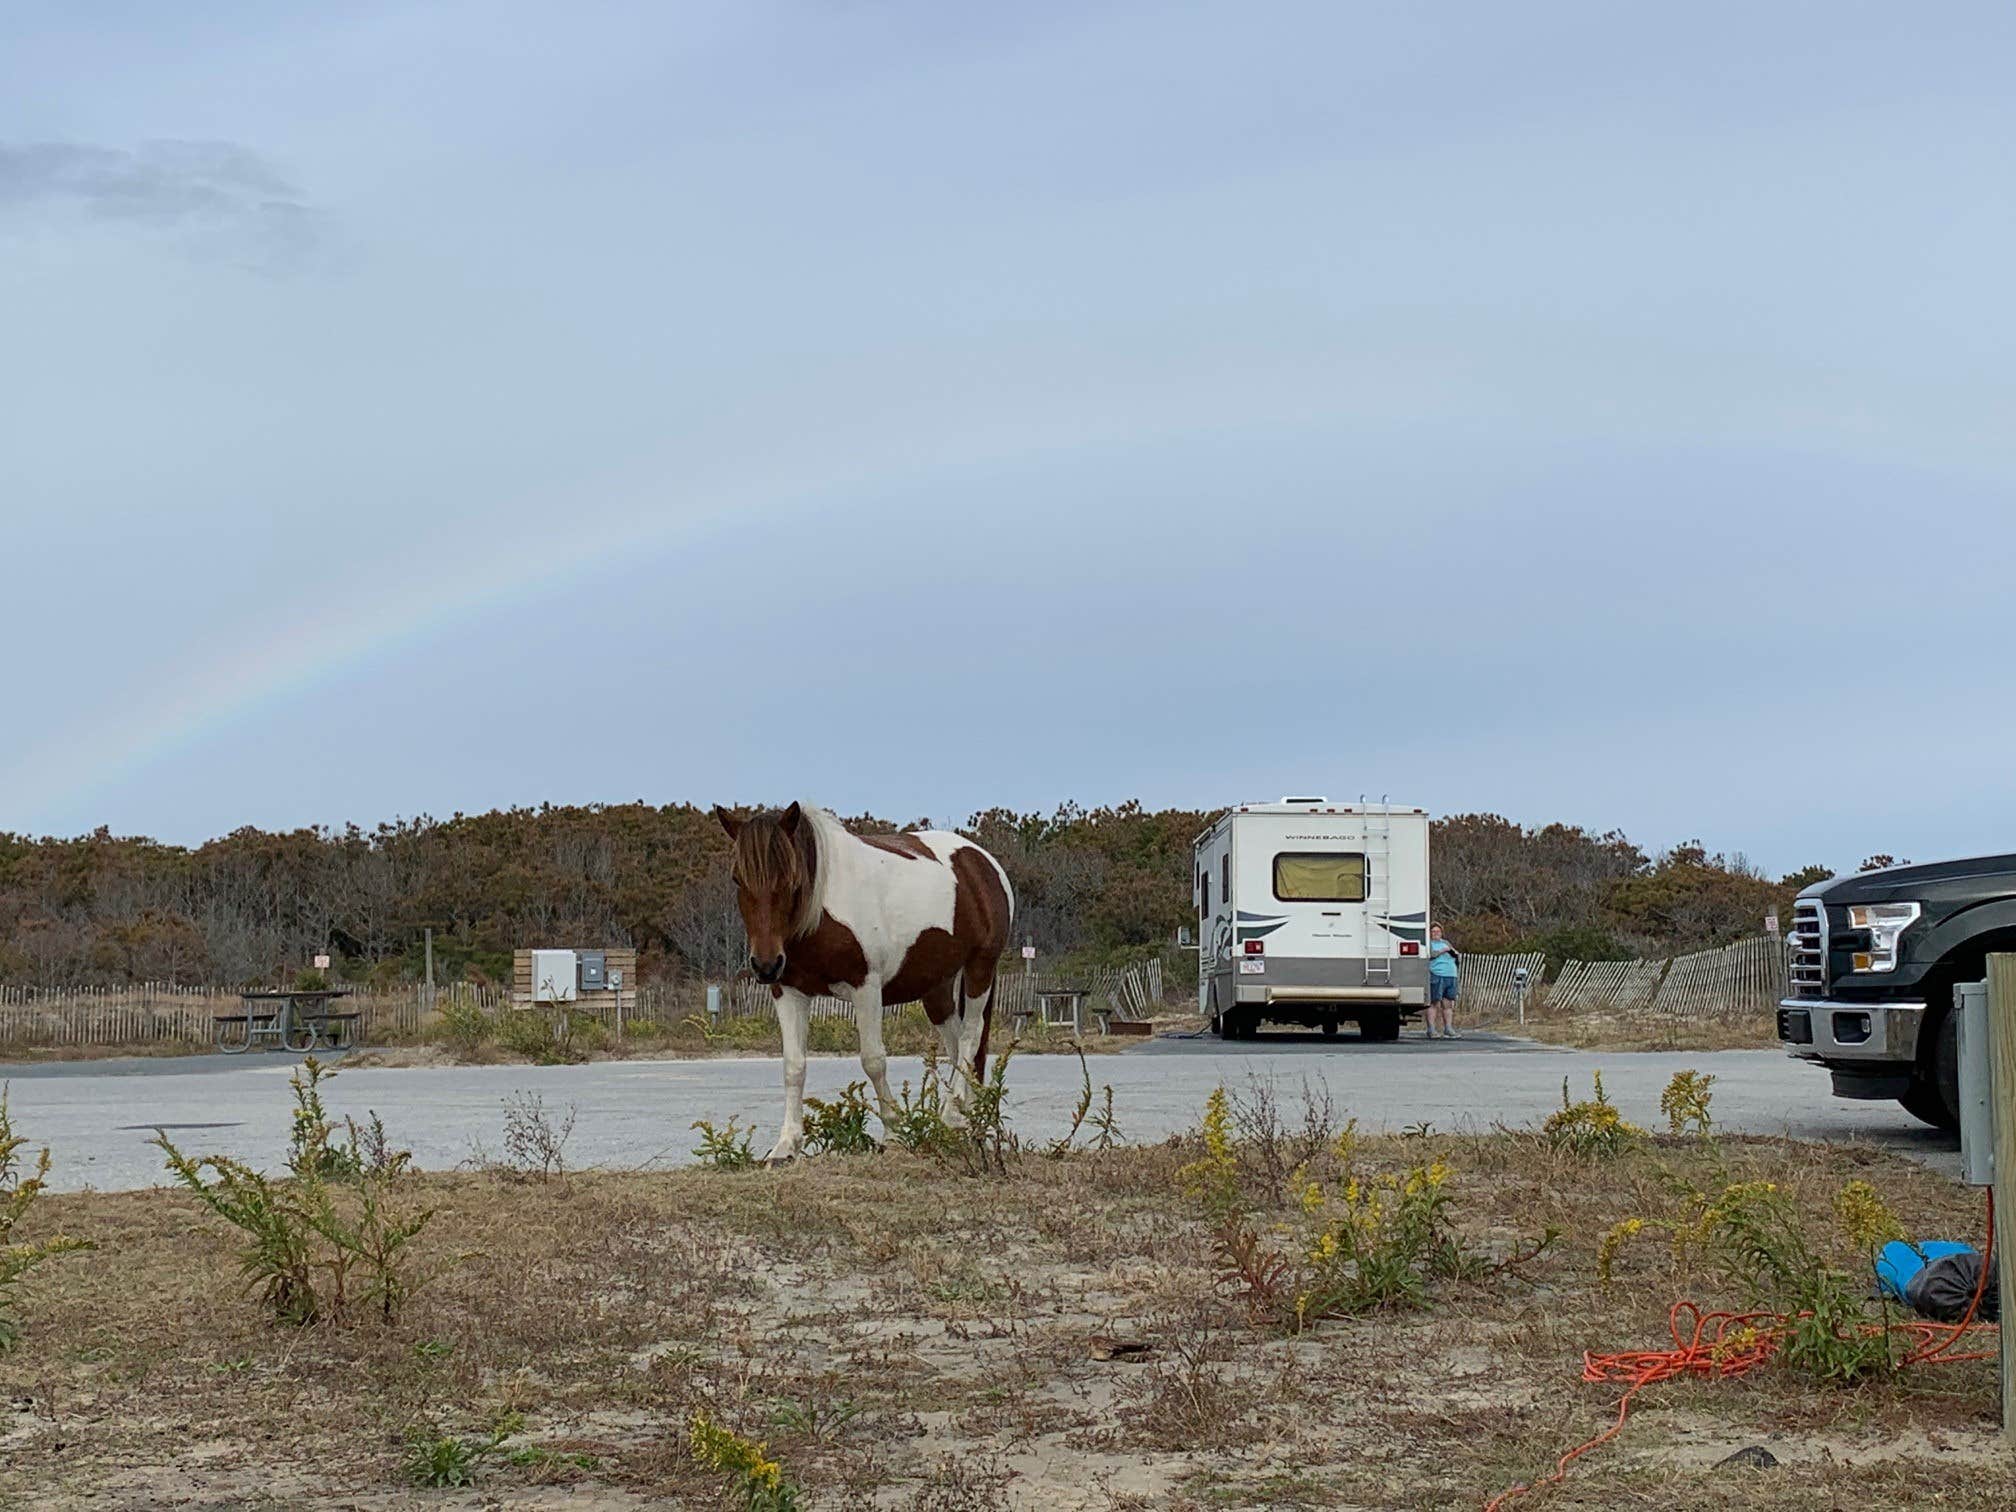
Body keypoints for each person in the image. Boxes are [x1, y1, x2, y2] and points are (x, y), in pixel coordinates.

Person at [1425, 924, 1461, 1039]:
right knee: (1434, 1002)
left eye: (1438, 931)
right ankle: (1431, 1029)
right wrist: (1442, 951)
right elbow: (1431, 955)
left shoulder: (1446, 942)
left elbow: (1454, 954)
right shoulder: (1428, 944)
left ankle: (1448, 1028)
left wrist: (1453, 953)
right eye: (1433, 931)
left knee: (1448, 1003)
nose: (1436, 933)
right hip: (1437, 974)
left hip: (1450, 974)